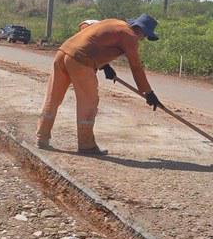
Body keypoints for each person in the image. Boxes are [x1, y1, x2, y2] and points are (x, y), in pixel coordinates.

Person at [36, 13, 162, 155]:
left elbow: (86, 29)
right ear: (142, 31)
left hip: (62, 53)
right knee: (88, 102)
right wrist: (148, 92)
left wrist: (104, 65)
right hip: (80, 60)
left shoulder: (114, 23)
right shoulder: (131, 37)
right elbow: (136, 67)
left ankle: (42, 137)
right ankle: (86, 145)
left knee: (53, 97)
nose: (142, 39)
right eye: (145, 36)